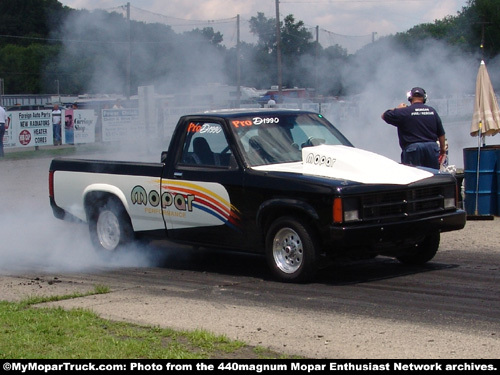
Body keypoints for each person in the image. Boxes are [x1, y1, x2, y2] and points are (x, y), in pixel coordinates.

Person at [381, 87, 446, 169]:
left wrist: (398, 109)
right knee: (433, 177)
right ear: (424, 98)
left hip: (413, 150)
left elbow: (384, 115)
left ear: (410, 98)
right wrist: (442, 150)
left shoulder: (404, 111)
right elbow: (441, 134)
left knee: (414, 178)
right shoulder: (432, 111)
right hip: (431, 149)